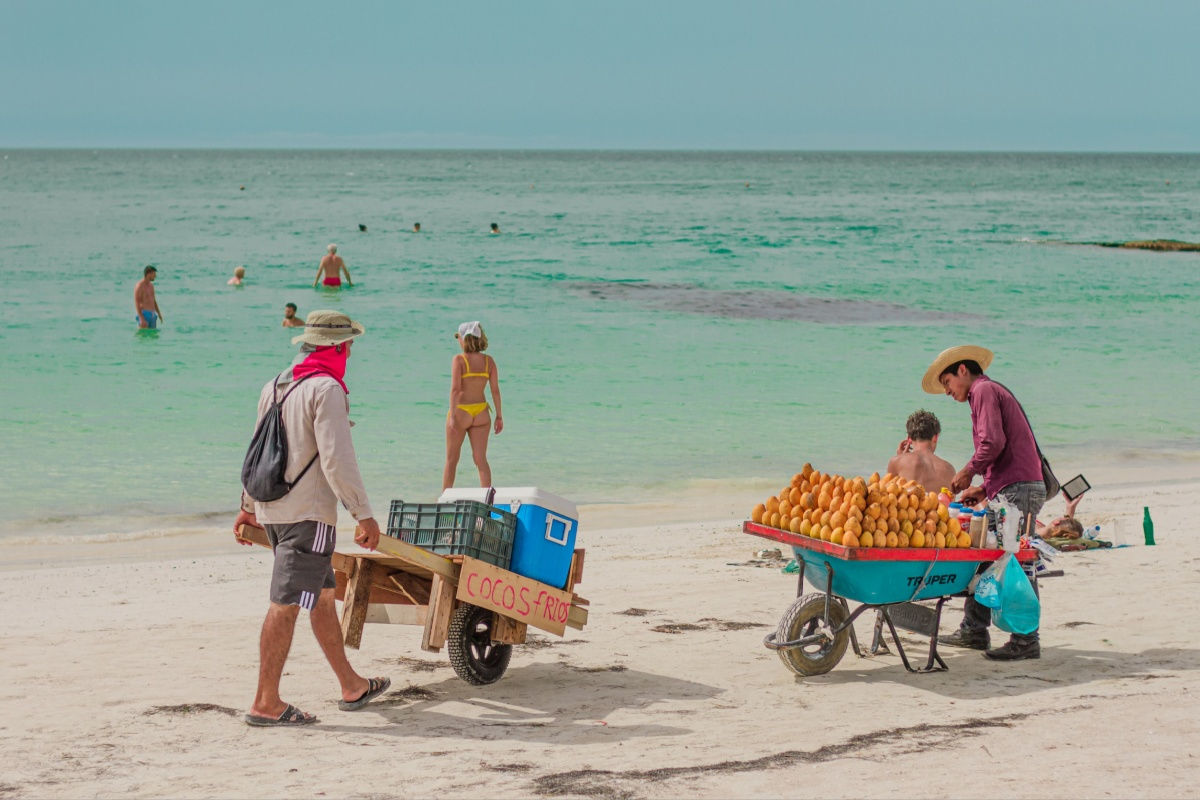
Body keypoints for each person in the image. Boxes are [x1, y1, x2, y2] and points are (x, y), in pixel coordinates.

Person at [232, 309, 390, 726]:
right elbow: (338, 460)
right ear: (335, 347)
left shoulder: (276, 385)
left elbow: (255, 450)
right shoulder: (327, 389)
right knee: (284, 603)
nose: (352, 350)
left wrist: (247, 507)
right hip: (309, 516)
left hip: (273, 509)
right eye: (349, 344)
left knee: (321, 594)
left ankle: (351, 685)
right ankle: (266, 701)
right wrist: (364, 514)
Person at [923, 345, 1046, 661]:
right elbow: (1002, 449)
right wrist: (985, 488)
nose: (948, 392)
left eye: (948, 383)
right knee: (988, 555)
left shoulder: (983, 390)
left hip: (1019, 489)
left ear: (962, 370)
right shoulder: (984, 393)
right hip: (1011, 486)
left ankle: (1025, 638)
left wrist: (968, 471)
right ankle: (974, 630)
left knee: (1015, 561)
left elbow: (993, 442)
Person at [442, 321, 503, 490]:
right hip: (482, 412)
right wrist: (499, 415)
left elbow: (455, 390)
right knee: (480, 460)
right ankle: (487, 505)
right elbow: (495, 391)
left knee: (451, 460)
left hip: (461, 412)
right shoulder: (488, 361)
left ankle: (444, 502)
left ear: (464, 340)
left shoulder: (459, 360)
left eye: (459, 338)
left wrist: (453, 416)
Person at [886, 409, 956, 493]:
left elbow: (888, 495)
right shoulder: (950, 470)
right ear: (935, 437)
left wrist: (900, 457)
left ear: (909, 438)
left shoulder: (897, 461)